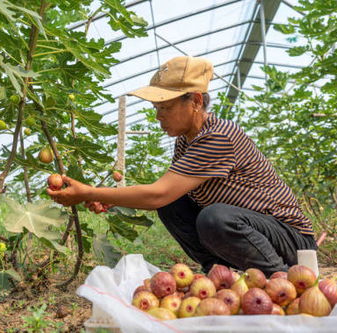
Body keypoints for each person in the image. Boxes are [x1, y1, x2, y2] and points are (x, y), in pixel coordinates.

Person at [47, 56, 317, 276]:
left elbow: (157, 193)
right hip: (254, 232)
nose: (158, 117)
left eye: (165, 108)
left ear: (196, 101)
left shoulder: (218, 136)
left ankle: (279, 277)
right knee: (174, 204)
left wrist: (90, 192)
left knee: (214, 218)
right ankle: (219, 272)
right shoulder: (187, 139)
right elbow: (168, 194)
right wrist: (112, 201)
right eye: (156, 108)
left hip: (292, 240)